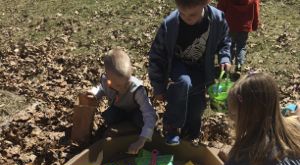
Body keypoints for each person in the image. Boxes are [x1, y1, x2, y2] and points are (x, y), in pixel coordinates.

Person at [148, 0, 231, 146]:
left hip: (202, 68)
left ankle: (190, 133)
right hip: (177, 65)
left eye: (192, 14)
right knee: (183, 83)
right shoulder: (170, 24)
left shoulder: (217, 20)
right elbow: (156, 56)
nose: (187, 18)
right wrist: (158, 86)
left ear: (206, 3)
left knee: (197, 105)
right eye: (182, 13)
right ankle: (172, 127)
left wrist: (225, 56)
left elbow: (225, 40)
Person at [79, 48, 157, 154]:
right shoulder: (107, 81)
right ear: (109, 79)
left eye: (126, 83)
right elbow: (101, 88)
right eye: (120, 85)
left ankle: (137, 131)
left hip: (135, 111)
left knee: (141, 121)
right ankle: (121, 127)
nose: (124, 88)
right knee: (109, 116)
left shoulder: (137, 89)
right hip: (119, 109)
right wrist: (94, 93)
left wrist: (142, 140)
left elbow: (149, 113)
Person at [217, 0, 259, 72]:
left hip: (229, 25)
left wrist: (219, 23)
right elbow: (256, 13)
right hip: (244, 28)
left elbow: (220, 9)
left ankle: (227, 64)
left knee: (229, 45)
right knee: (241, 46)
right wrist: (255, 25)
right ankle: (239, 65)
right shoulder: (253, 1)